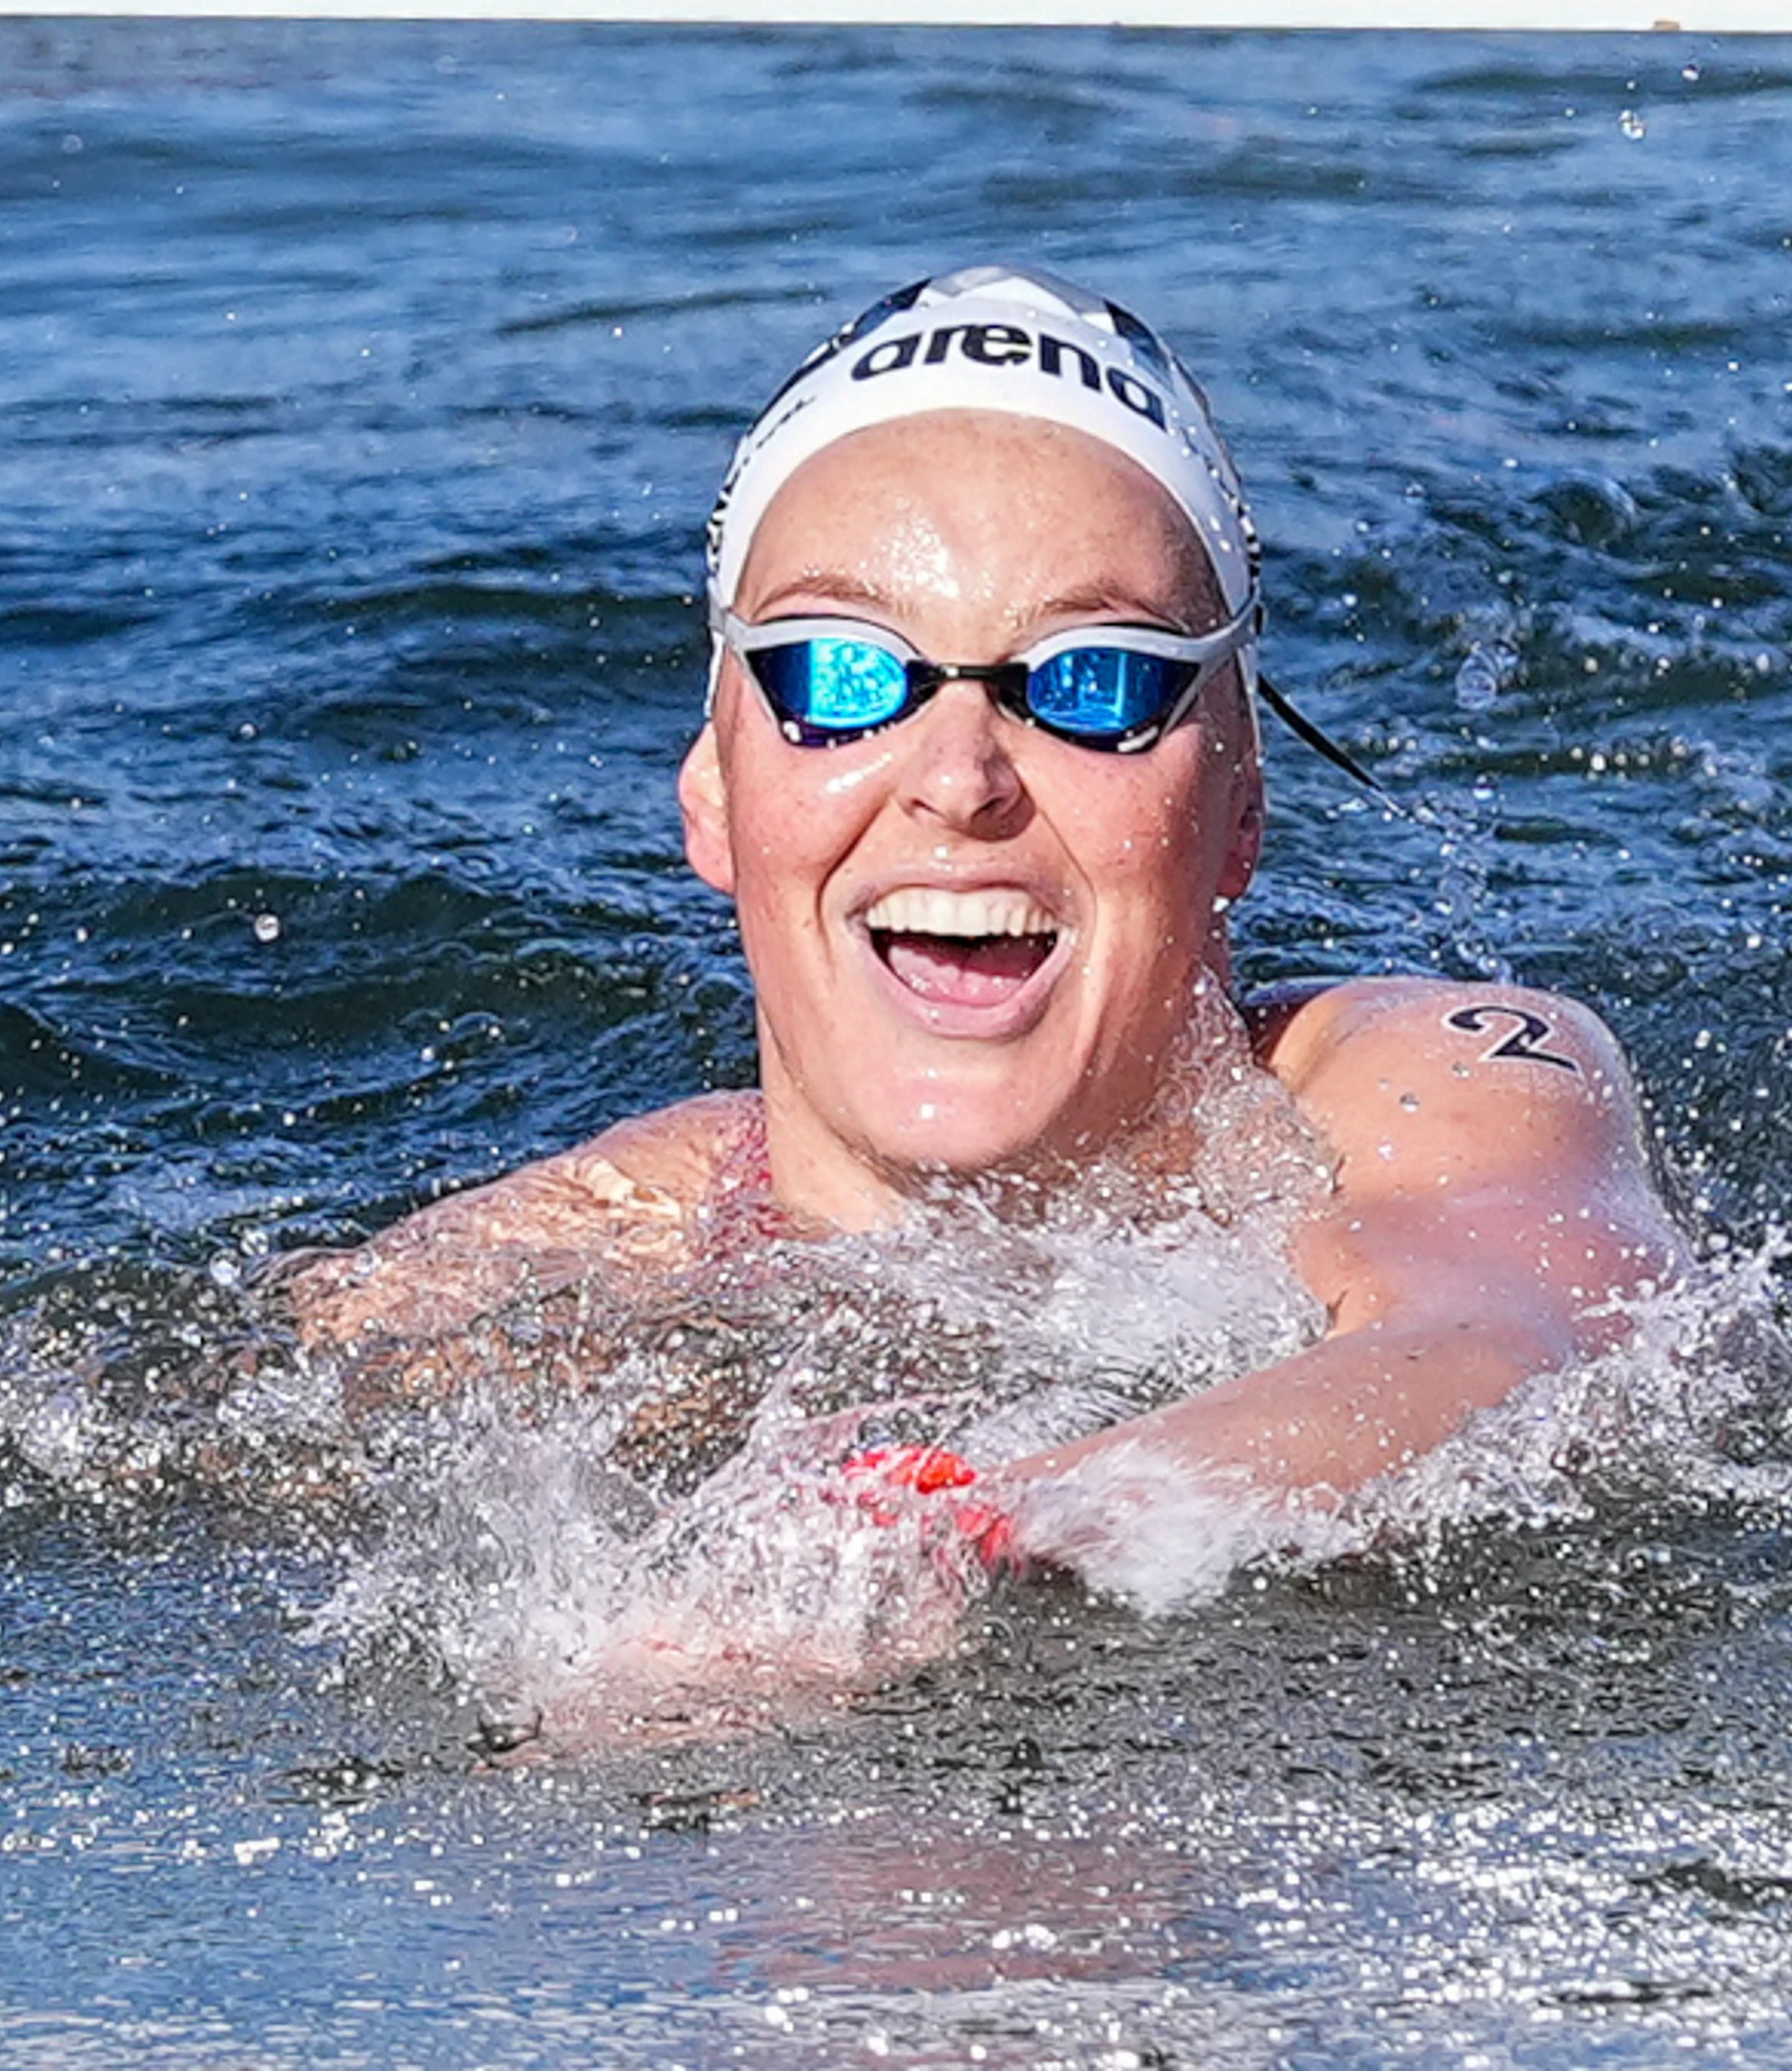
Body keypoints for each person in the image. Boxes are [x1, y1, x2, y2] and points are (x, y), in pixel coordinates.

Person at [273, 264, 1682, 1576]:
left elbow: (1521, 1338)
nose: (958, 779)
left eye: (1095, 677)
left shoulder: (1425, 1078)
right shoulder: (563, 1260)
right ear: (713, 794)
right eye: (839, 672)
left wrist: (964, 1536)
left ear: (1242, 806)